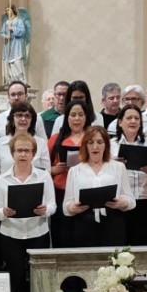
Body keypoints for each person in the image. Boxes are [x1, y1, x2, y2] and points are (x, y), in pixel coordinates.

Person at [0, 132, 56, 292]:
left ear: (33, 154)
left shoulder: (43, 177)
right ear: (12, 153)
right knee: (16, 280)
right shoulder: (2, 180)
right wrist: (3, 212)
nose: (23, 154)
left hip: (38, 233)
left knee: (39, 280)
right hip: (11, 235)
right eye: (19, 150)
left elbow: (53, 205)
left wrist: (46, 210)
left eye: (27, 151)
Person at [64, 125, 134, 248]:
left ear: (106, 145)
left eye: (100, 142)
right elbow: (66, 205)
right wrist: (71, 208)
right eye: (90, 143)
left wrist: (122, 203)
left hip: (113, 222)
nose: (95, 147)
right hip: (84, 223)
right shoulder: (75, 171)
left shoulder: (118, 167)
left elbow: (131, 200)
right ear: (85, 146)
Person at [111, 105, 147, 246]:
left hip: (144, 199)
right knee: (120, 245)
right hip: (120, 201)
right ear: (120, 122)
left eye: (136, 118)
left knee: (142, 244)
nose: (133, 121)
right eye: (129, 118)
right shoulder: (111, 145)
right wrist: (112, 164)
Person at [48, 98, 93, 247]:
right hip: (60, 191)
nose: (77, 119)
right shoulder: (56, 139)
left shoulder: (92, 138)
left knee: (84, 235)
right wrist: (53, 170)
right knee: (62, 235)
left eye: (81, 114)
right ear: (66, 117)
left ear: (86, 117)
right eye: (73, 115)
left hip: (86, 191)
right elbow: (43, 167)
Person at [0, 5, 28, 86]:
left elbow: (22, 32)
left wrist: (12, 28)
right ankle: (11, 80)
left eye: (8, 9)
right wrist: (6, 36)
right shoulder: (6, 22)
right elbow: (2, 32)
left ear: (12, 10)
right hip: (8, 45)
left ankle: (20, 80)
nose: (7, 11)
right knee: (8, 63)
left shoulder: (19, 21)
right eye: (6, 10)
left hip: (16, 45)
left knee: (16, 62)